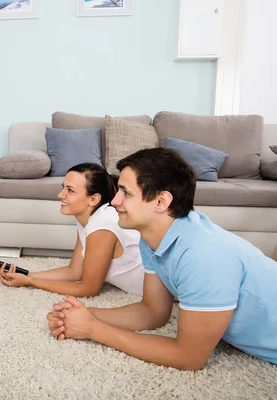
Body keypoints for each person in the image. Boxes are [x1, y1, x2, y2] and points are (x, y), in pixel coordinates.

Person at [46, 148, 277, 370]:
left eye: (125, 192)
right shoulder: (153, 238)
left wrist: (93, 329)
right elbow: (152, 312)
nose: (114, 201)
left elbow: (188, 358)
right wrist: (84, 314)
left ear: (161, 202)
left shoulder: (203, 254)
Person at [0, 163, 145, 297]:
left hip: (152, 289)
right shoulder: (86, 219)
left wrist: (30, 282)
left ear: (93, 199)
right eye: (63, 187)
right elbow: (74, 271)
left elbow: (89, 289)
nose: (60, 195)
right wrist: (27, 275)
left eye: (70, 190)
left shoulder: (103, 222)